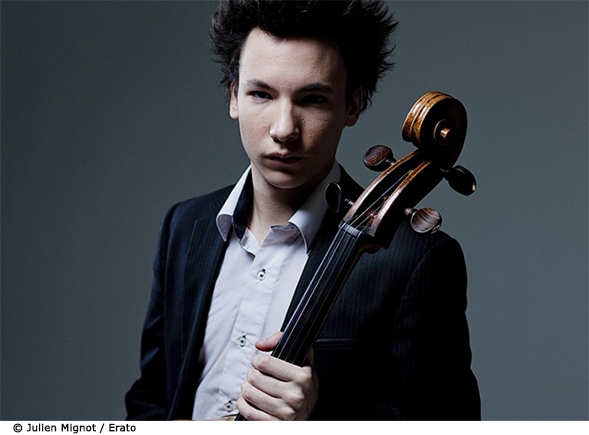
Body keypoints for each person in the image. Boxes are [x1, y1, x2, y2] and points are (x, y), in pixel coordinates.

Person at [125, 0, 480, 421]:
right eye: (261, 94)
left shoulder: (415, 260)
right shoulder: (185, 226)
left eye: (312, 99)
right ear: (233, 96)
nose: (284, 130)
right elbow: (152, 400)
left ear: (353, 104)